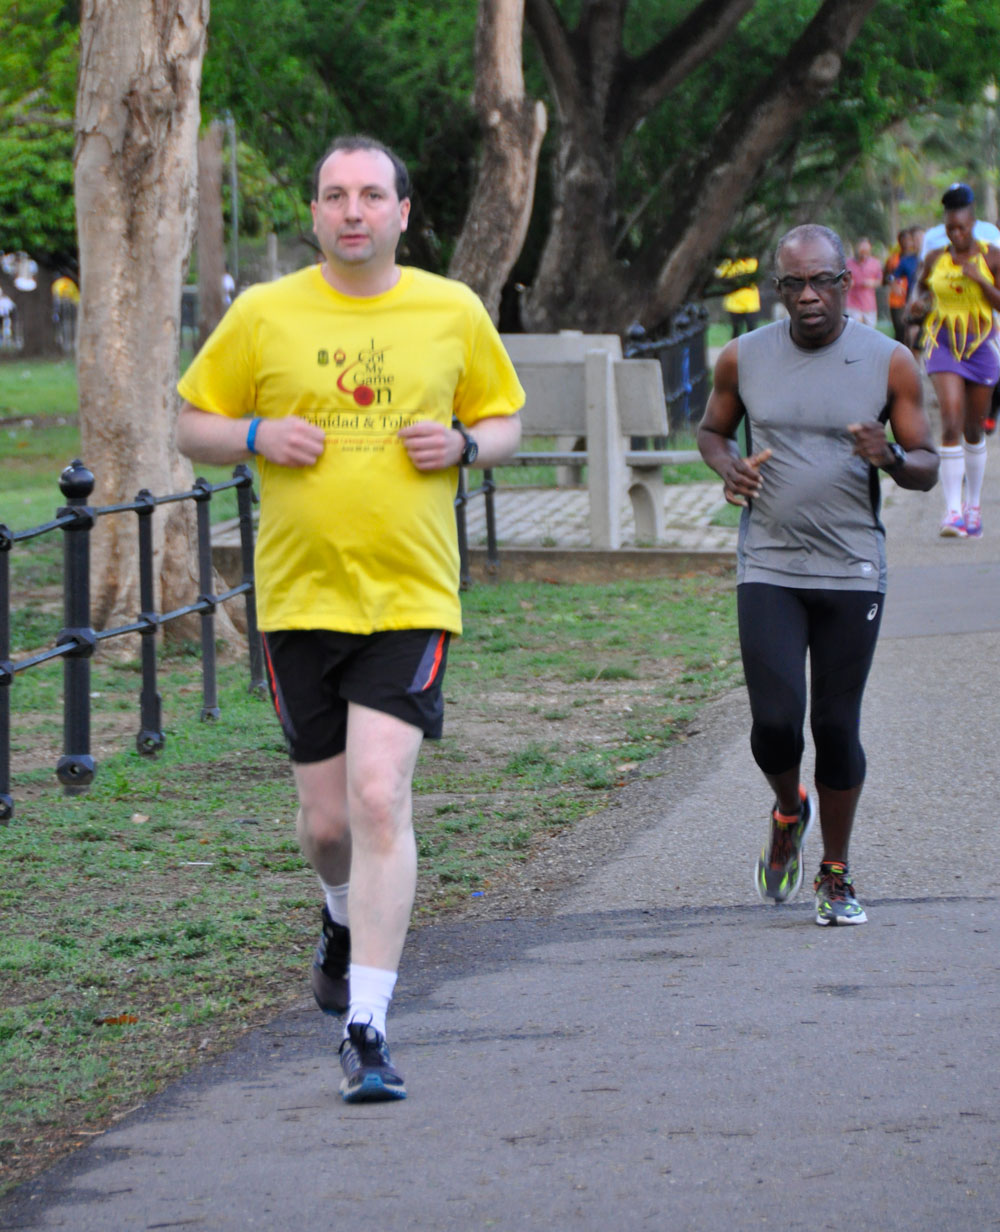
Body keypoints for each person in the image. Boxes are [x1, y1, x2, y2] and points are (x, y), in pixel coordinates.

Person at [176, 135, 524, 1102]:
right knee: (328, 823)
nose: (353, 210)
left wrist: (463, 444)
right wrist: (255, 433)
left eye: (372, 194)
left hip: (411, 594)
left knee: (378, 797)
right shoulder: (264, 313)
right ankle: (337, 913)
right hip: (298, 599)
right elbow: (190, 423)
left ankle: (367, 1027)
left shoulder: (450, 309)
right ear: (317, 214)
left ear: (403, 212)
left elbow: (505, 420)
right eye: (335, 195)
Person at [697, 223, 938, 927]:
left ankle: (835, 872)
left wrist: (890, 456)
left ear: (843, 283)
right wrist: (728, 467)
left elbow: (926, 465)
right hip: (769, 563)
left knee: (835, 726)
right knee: (775, 725)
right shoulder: (743, 357)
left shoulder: (889, 362)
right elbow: (712, 432)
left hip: (852, 569)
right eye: (794, 283)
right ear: (779, 289)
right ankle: (788, 808)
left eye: (822, 281)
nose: (808, 296)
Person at [908, 181, 1000, 537]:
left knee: (973, 429)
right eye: (950, 229)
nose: (956, 234)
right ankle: (952, 512)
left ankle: (973, 505)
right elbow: (919, 292)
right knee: (950, 421)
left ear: (972, 223)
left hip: (981, 346)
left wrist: (981, 281)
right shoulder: (935, 258)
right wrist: (918, 305)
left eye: (961, 228)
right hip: (943, 343)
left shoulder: (992, 257)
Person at [883, 228, 918, 343]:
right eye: (904, 239)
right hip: (897, 300)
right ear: (899, 241)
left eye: (909, 239)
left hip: (914, 299)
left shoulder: (919, 258)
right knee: (900, 330)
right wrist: (893, 284)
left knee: (912, 332)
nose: (907, 242)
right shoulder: (894, 259)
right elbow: (887, 276)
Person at [715, 256, 761, 337]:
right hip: (734, 304)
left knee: (752, 330)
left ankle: (752, 345)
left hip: (750, 303)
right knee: (736, 331)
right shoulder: (729, 263)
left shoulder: (753, 262)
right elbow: (718, 274)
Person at [845, 237, 883, 327]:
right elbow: (842, 280)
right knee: (856, 329)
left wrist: (873, 283)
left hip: (869, 305)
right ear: (857, 250)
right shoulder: (848, 263)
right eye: (862, 252)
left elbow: (880, 281)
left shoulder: (875, 263)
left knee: (869, 331)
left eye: (866, 252)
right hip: (853, 304)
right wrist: (849, 282)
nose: (864, 254)